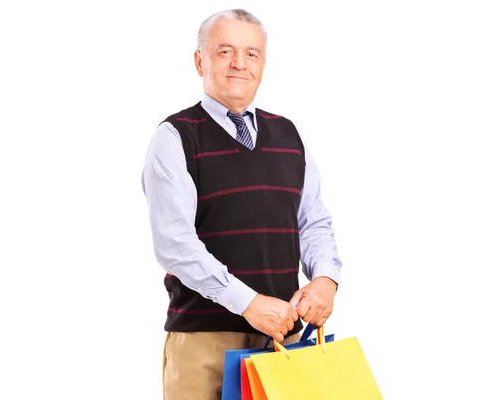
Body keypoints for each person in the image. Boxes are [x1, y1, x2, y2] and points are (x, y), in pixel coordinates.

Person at [141, 8, 343, 400]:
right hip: (206, 341)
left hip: (284, 340)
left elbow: (313, 223)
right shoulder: (175, 137)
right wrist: (248, 303)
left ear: (263, 64)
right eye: (225, 51)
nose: (239, 64)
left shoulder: (288, 134)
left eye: (252, 54)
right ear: (200, 61)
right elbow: (174, 245)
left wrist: (324, 281)